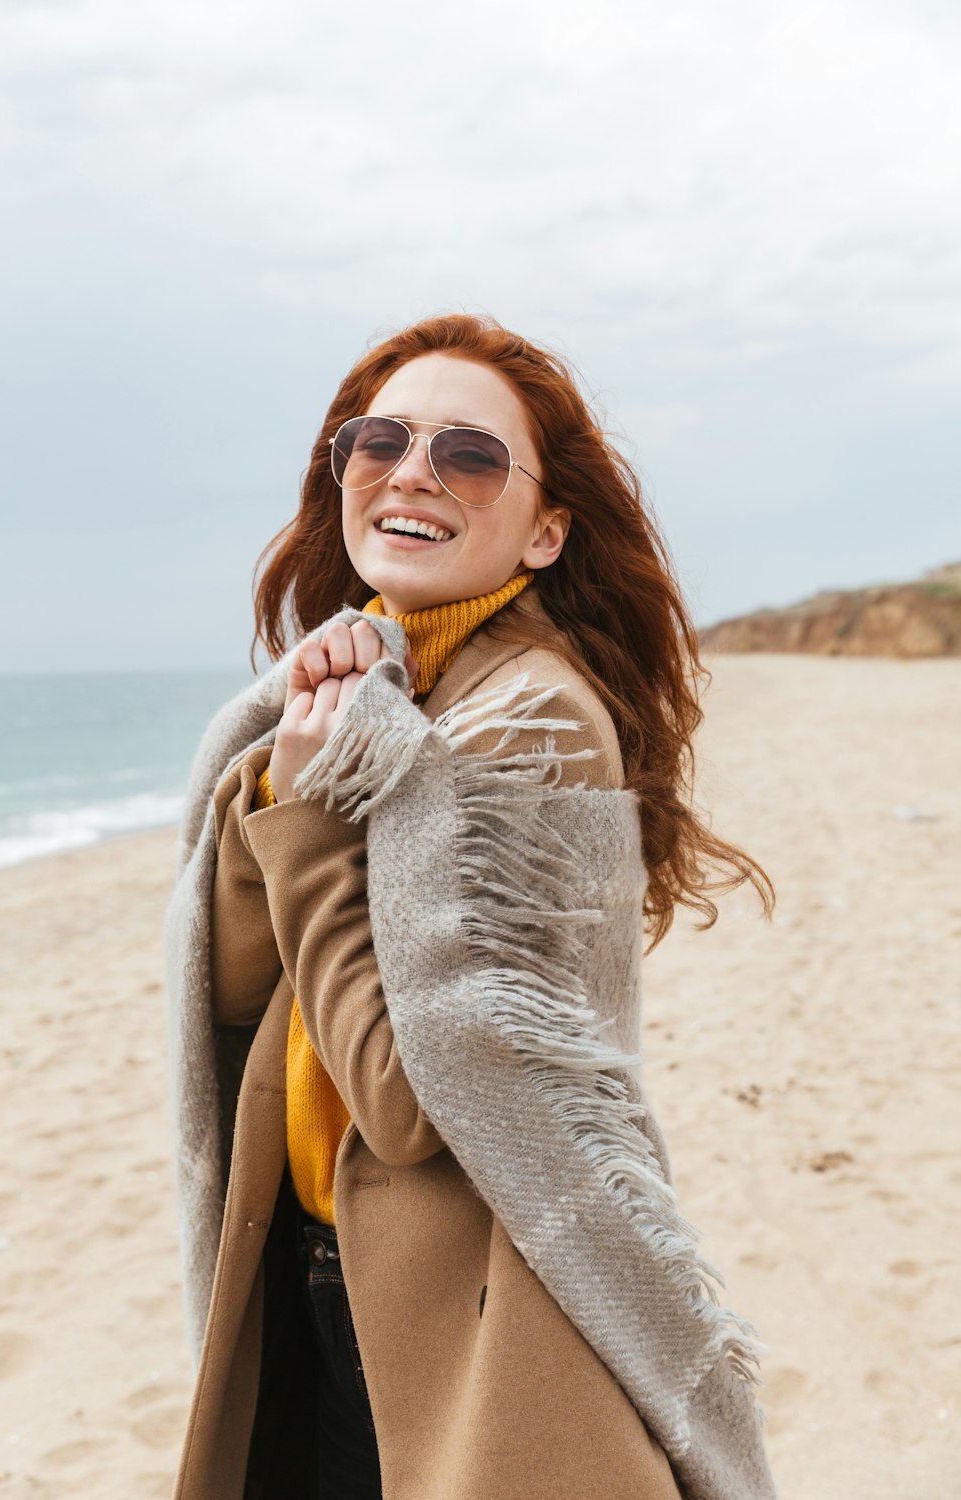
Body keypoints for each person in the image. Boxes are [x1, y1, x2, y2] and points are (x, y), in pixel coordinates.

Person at [165, 313, 779, 1500]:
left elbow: (403, 1100)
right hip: (309, 1258)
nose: (411, 471)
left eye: (470, 455)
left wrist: (311, 814)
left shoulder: (530, 723)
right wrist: (295, 787)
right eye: (380, 439)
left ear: (546, 530)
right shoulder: (370, 691)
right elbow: (238, 987)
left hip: (466, 1308)